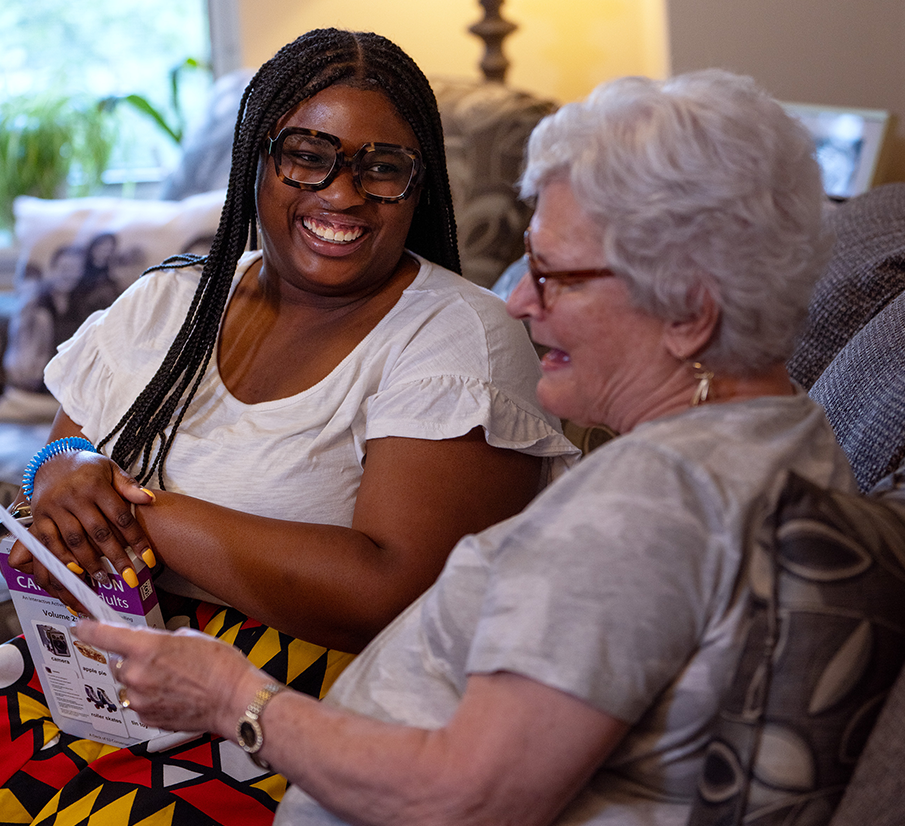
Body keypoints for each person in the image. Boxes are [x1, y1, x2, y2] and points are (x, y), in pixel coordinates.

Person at [75, 68, 858, 825]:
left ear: (688, 310)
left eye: (551, 276)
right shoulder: (788, 433)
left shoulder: (647, 505)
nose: (518, 300)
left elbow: (470, 800)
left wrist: (230, 698)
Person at [0, 28, 575, 825]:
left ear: (418, 185)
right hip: (93, 679)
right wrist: (57, 467)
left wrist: (128, 508)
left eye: (382, 168)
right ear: (255, 158)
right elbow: (61, 474)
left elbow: (386, 589)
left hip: (295, 715)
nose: (341, 194)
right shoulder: (169, 301)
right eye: (308, 154)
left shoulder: (455, 340)